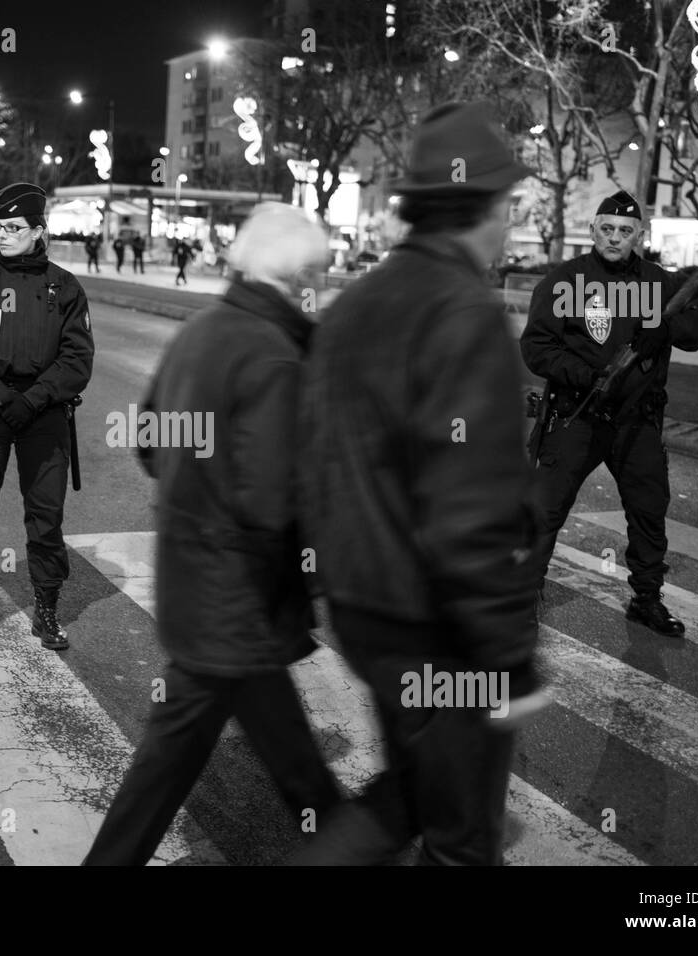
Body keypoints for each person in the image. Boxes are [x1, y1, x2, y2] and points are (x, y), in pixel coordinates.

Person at [296, 102, 546, 866]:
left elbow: (312, 456)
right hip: (439, 628)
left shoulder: (355, 304)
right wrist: (508, 655)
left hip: (365, 612)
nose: (510, 226)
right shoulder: (464, 314)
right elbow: (469, 513)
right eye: (509, 210)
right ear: (484, 208)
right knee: (462, 835)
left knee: (412, 793)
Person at [84, 203, 341, 866]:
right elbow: (268, 497)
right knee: (204, 762)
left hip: (197, 581)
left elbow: (147, 442)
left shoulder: (203, 331)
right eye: (322, 273)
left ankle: (346, 841)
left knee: (236, 755)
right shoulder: (276, 355)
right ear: (297, 278)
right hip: (242, 598)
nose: (327, 288)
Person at [522, 189, 698, 636]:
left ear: (639, 235)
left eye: (625, 231)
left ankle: (647, 599)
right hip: (578, 414)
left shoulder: (659, 282)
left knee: (648, 511)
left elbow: (696, 328)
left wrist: (663, 324)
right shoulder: (565, 281)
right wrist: (586, 375)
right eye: (607, 229)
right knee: (545, 510)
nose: (615, 238)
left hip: (638, 421)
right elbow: (536, 347)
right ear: (593, 231)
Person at [0, 183, 94, 657]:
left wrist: (35, 399)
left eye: (13, 228)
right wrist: (3, 399)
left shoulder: (65, 287)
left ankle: (46, 608)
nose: (2, 235)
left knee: (46, 520)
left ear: (39, 231)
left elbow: (77, 359)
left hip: (43, 417)